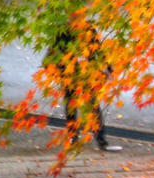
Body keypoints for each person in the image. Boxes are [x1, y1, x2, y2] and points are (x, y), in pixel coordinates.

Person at [47, 19, 120, 152]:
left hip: (87, 72)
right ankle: (74, 138)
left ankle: (100, 140)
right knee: (72, 105)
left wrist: (109, 69)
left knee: (91, 105)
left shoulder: (88, 28)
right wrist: (50, 66)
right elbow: (52, 49)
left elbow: (98, 49)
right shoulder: (63, 29)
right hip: (69, 73)